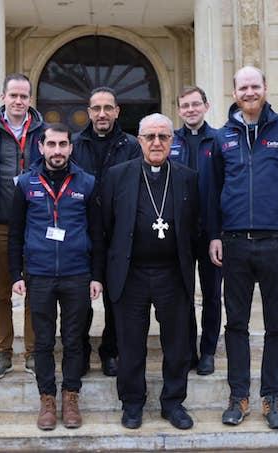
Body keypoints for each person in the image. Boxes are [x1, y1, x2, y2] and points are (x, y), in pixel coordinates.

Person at [208, 66, 278, 430]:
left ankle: (272, 398)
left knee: (276, 325)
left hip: (276, 242)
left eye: (255, 86)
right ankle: (238, 397)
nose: (249, 92)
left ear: (265, 88)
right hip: (234, 244)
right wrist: (214, 234)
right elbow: (213, 191)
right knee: (235, 324)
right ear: (234, 92)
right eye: (243, 87)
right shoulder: (222, 137)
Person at [102, 113, 199, 430]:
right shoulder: (117, 176)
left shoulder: (187, 177)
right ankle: (132, 404)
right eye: (150, 137)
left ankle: (173, 403)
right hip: (132, 274)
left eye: (163, 137)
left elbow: (195, 226)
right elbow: (106, 226)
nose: (156, 142)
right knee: (130, 345)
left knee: (177, 345)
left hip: (173, 273)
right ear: (139, 140)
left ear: (172, 141)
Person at [8, 123, 104, 430]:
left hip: (77, 273)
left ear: (70, 148)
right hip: (39, 274)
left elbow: (97, 233)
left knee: (75, 340)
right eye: (51, 144)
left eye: (63, 144)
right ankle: (47, 399)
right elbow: (15, 233)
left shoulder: (87, 183)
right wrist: (15, 274)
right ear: (41, 147)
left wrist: (96, 276)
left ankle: (71, 397)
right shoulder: (25, 184)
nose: (57, 150)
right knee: (44, 341)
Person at [0, 73, 44, 379]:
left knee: (35, 290)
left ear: (30, 99)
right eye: (13, 95)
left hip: (35, 225)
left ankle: (33, 353)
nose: (18, 101)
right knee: (0, 292)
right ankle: (3, 353)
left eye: (23, 96)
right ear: (3, 97)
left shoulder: (43, 132)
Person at [72, 86, 141, 377]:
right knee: (79, 298)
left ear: (117, 111)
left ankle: (110, 351)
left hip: (118, 233)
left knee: (116, 297)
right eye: (97, 108)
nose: (102, 114)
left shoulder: (131, 145)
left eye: (108, 108)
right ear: (89, 113)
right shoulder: (75, 144)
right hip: (83, 231)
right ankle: (80, 352)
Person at [171, 86, 223, 375]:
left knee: (212, 294)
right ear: (179, 110)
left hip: (211, 233)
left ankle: (208, 351)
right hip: (180, 233)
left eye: (195, 104)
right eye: (185, 105)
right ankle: (188, 350)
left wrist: (219, 233)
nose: (190, 110)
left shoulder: (220, 140)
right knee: (183, 294)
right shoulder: (171, 142)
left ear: (206, 106)